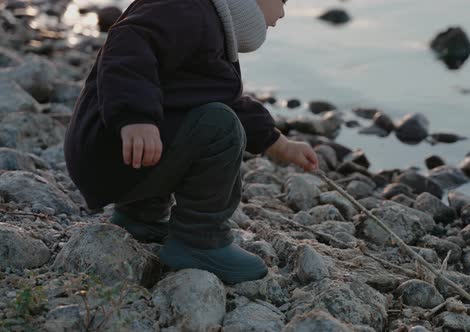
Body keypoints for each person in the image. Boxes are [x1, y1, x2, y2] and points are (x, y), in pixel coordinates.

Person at [64, 0, 318, 284]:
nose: (282, 14)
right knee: (220, 126)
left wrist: (280, 144)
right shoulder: (187, 8)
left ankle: (140, 216)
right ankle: (199, 240)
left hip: (115, 158)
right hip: (112, 151)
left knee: (198, 114)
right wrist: (136, 117)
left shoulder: (208, 22)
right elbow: (128, 41)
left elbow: (224, 97)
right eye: (282, 1)